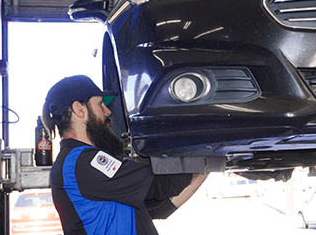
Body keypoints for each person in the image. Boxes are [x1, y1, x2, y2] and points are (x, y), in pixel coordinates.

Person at [42, 75, 208, 235]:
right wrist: (199, 150)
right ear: (79, 109)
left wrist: (206, 166)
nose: (107, 111)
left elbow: (155, 208)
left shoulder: (78, 163)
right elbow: (157, 185)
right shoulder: (82, 162)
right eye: (100, 104)